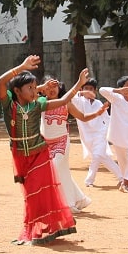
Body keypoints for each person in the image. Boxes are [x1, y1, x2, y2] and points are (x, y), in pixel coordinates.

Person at [0, 55, 85, 245]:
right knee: (30, 195)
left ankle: (44, 228)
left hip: (39, 153)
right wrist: (21, 67)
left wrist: (78, 84)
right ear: (17, 91)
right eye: (30, 88)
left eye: (34, 87)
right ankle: (36, 228)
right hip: (20, 156)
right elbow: (1, 82)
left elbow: (63, 101)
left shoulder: (37, 105)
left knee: (39, 190)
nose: (34, 91)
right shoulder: (9, 105)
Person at [39, 76, 97, 212]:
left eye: (55, 86)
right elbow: (28, 97)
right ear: (43, 90)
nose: (52, 89)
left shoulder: (66, 103)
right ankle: (80, 199)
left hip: (62, 143)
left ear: (60, 88)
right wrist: (41, 88)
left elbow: (82, 117)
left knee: (54, 168)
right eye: (48, 87)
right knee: (62, 172)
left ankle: (67, 204)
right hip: (46, 144)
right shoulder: (40, 102)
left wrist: (98, 113)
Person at [71, 79, 122, 187]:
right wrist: (82, 93)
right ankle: (122, 177)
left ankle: (89, 180)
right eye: (86, 89)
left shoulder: (98, 103)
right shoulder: (78, 101)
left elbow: (107, 119)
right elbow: (70, 96)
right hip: (87, 136)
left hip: (100, 134)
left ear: (95, 91)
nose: (89, 91)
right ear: (81, 89)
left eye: (91, 89)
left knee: (97, 155)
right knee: (103, 157)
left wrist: (108, 133)